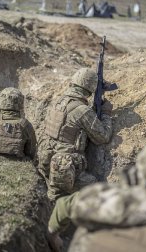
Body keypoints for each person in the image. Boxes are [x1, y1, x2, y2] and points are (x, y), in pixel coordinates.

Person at [38, 68, 113, 201]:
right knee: (98, 189)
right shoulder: (82, 110)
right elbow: (103, 137)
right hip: (65, 167)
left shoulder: (58, 102)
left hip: (46, 161)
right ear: (90, 89)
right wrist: (106, 114)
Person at [0, 87, 37, 160]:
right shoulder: (25, 124)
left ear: (1, 101)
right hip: (18, 162)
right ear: (20, 103)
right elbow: (31, 150)